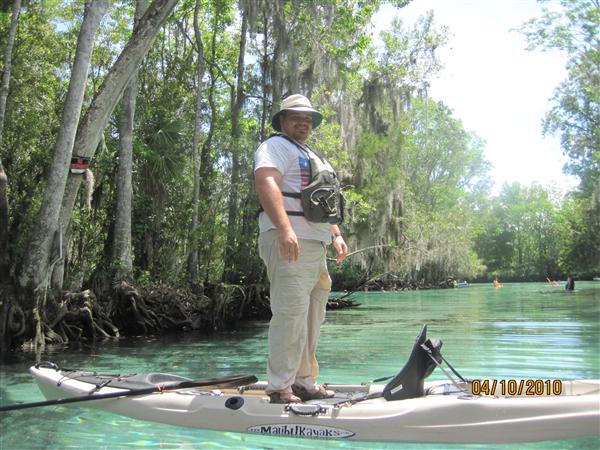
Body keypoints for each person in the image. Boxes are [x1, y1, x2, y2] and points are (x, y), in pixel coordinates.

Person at [254, 94, 349, 404]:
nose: (303, 122)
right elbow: (266, 182)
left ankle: (303, 380)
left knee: (312, 316)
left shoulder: (314, 155)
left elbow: (325, 200)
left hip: (316, 244)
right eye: (296, 116)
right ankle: (280, 386)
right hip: (289, 240)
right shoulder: (275, 147)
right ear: (283, 120)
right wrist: (284, 229)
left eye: (308, 118)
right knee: (290, 313)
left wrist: (336, 234)